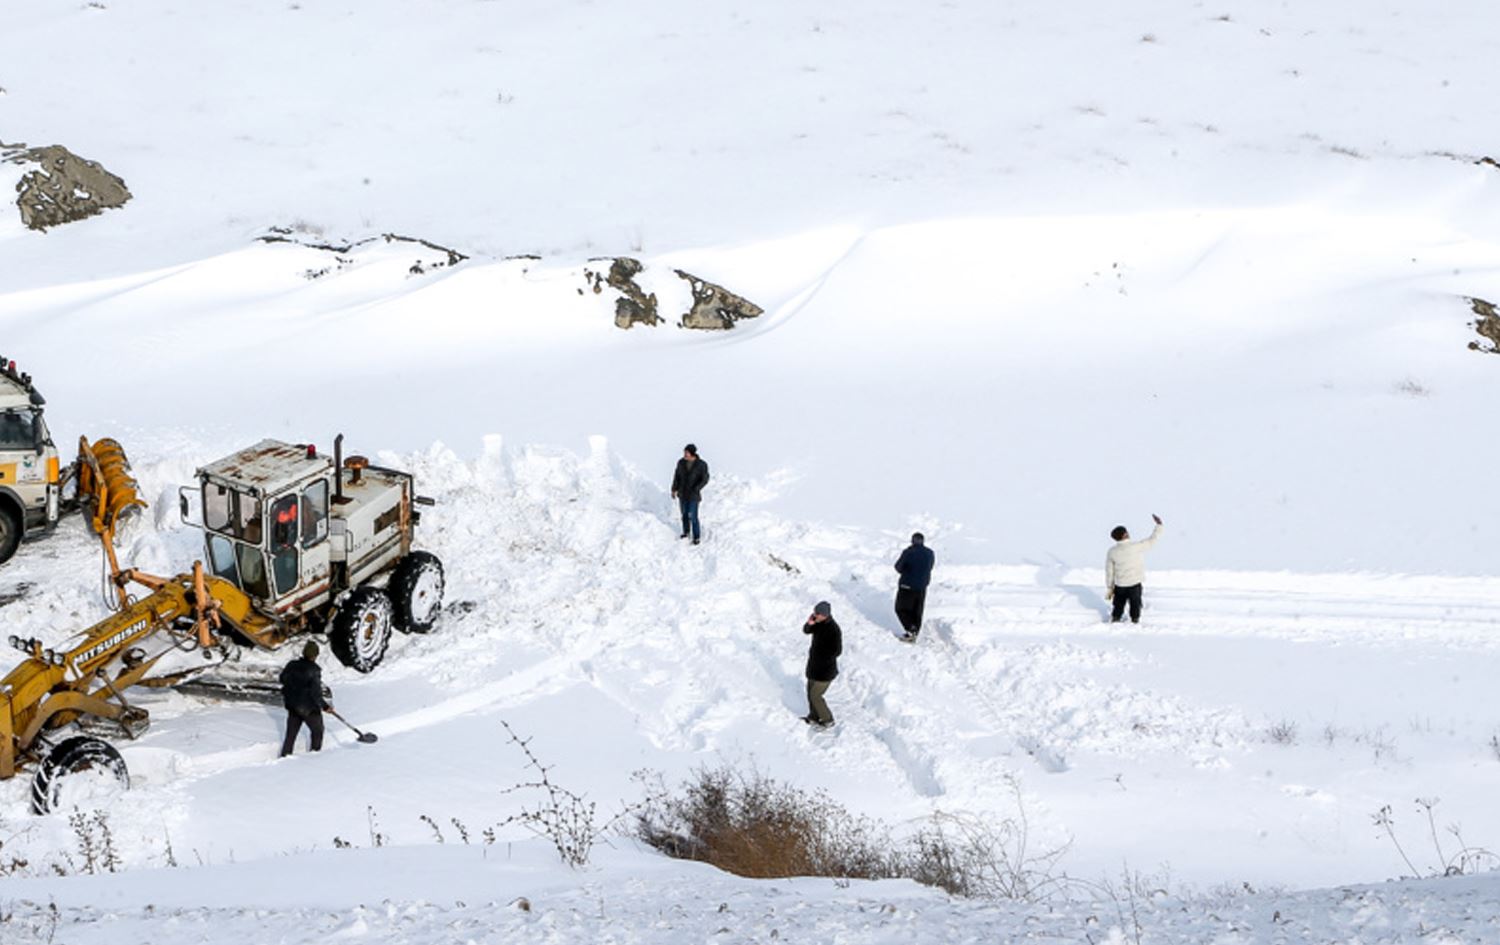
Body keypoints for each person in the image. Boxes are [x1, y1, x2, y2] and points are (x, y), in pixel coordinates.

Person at [1106, 514, 1164, 624]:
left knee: (1118, 604)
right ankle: (1135, 619)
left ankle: (1116, 618)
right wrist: (1159, 525)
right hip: (1135, 583)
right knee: (1135, 603)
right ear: (1125, 535)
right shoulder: (1136, 546)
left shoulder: (1112, 551)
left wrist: (1110, 587)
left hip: (1120, 585)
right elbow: (1152, 540)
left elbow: (1109, 571)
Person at [279, 640, 331, 757]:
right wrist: (325, 706)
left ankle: (285, 756)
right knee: (317, 731)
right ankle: (314, 755)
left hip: (293, 706)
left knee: (290, 735)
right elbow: (316, 693)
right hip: (309, 709)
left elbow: (282, 679)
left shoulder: (291, 665)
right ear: (315, 655)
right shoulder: (314, 670)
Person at [802, 601, 842, 728]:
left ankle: (827, 719)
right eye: (815, 612)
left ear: (825, 615)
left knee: (816, 695)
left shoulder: (833, 629)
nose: (815, 615)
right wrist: (809, 623)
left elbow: (837, 651)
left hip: (825, 670)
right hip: (814, 667)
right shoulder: (818, 623)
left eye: (817, 613)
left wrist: (822, 655)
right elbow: (806, 631)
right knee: (810, 692)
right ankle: (813, 716)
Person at [893, 532, 935, 642]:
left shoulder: (908, 552)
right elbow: (930, 567)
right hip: (922, 587)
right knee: (917, 611)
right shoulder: (930, 553)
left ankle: (911, 630)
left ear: (912, 540)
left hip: (907, 586)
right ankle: (915, 631)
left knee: (901, 608)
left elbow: (898, 567)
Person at [670, 443, 710, 544]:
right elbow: (677, 476)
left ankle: (696, 537)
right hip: (682, 493)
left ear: (692, 453)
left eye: (686, 453)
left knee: (693, 516)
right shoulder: (681, 463)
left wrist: (697, 488)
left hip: (693, 495)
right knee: (684, 515)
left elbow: (705, 478)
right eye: (684, 452)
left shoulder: (701, 464)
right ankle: (686, 532)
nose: (684, 454)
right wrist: (674, 489)